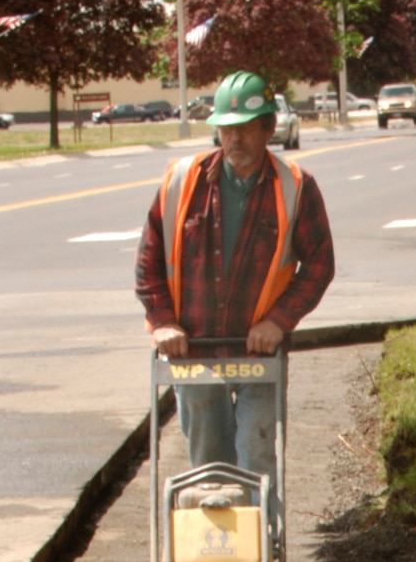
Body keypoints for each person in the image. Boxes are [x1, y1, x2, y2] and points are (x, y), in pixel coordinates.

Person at [135, 70, 335, 488]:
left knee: (257, 456)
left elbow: (319, 263)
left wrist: (279, 321)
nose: (235, 141)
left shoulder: (295, 186)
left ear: (269, 128)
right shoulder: (180, 182)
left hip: (257, 351)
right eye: (226, 130)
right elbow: (149, 261)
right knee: (208, 467)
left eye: (245, 129)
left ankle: (261, 549)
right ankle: (215, 548)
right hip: (194, 347)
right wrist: (163, 321)